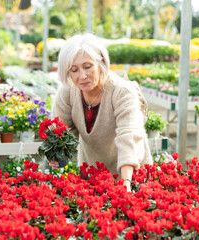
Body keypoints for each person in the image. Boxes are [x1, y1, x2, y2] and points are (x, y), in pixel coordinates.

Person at [51, 33, 153, 192]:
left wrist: (126, 184)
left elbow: (129, 135)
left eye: (87, 66)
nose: (82, 76)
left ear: (101, 63)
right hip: (93, 176)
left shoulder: (122, 92)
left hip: (132, 175)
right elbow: (60, 130)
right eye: (74, 70)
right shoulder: (67, 92)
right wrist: (57, 156)